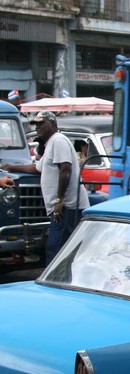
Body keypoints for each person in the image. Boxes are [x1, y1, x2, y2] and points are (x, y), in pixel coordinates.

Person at [0, 111, 89, 264]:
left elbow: (65, 168)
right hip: (61, 207)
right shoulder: (50, 144)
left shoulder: (58, 141)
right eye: (36, 125)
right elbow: (37, 168)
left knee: (57, 249)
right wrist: (11, 167)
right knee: (58, 247)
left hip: (66, 207)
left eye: (42, 124)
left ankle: (56, 281)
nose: (38, 128)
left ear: (54, 124)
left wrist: (59, 200)